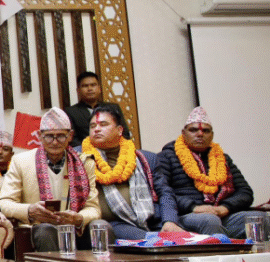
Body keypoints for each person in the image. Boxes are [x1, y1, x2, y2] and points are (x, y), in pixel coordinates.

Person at [0, 108, 102, 262]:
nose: (55, 141)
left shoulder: (84, 162)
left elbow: (94, 208)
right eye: (49, 136)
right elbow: (3, 203)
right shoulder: (21, 161)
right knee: (46, 231)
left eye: (61, 136)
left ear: (70, 136)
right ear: (40, 136)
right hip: (41, 227)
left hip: (75, 228)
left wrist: (79, 217)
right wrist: (30, 210)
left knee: (101, 227)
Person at [79, 105, 182, 239]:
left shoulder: (145, 158)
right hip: (114, 223)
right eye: (92, 126)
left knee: (186, 237)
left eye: (103, 124)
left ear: (119, 130)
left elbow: (165, 192)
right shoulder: (81, 158)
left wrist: (169, 221)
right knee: (153, 241)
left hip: (150, 220)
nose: (97, 129)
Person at [156, 107, 257, 238]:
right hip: (186, 215)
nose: (200, 134)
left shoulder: (222, 158)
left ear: (212, 135)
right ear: (183, 133)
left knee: (258, 218)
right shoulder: (166, 157)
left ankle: (244, 248)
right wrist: (193, 207)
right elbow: (162, 193)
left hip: (221, 214)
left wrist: (225, 207)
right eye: (193, 130)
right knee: (210, 221)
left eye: (206, 131)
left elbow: (245, 192)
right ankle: (223, 249)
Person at [66, 71, 103, 147]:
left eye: (93, 85)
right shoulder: (70, 112)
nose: (90, 89)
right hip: (84, 152)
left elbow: (124, 133)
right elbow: (73, 139)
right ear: (78, 91)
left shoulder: (113, 108)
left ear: (99, 89)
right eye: (85, 86)